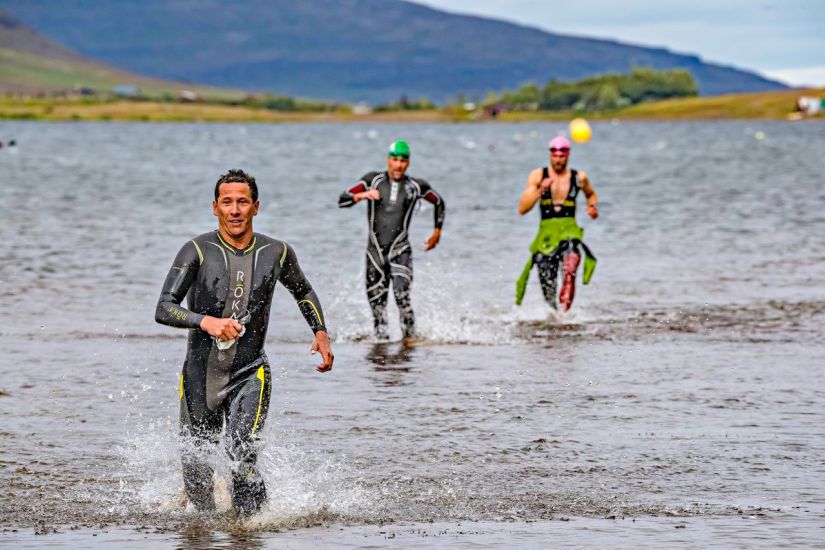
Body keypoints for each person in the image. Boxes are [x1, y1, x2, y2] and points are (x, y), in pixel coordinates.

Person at [155, 169, 334, 516]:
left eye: (242, 202)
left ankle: (251, 530)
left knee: (242, 453)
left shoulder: (277, 252)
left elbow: (303, 290)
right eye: (227, 202)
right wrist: (206, 321)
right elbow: (164, 308)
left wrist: (321, 332)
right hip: (200, 376)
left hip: (251, 373)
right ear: (215, 207)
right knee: (196, 469)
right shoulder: (196, 250)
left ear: (256, 207)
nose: (235, 210)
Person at [338, 140, 445, 339]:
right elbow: (342, 199)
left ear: (409, 163)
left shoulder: (416, 186)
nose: (398, 165)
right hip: (375, 255)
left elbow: (438, 202)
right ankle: (381, 354)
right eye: (395, 159)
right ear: (388, 160)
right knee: (377, 309)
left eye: (403, 160)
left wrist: (437, 232)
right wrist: (361, 195)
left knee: (401, 297)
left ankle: (410, 342)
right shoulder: (373, 180)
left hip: (401, 251)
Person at [516, 136, 598, 311]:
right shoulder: (538, 176)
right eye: (555, 154)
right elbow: (522, 209)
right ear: (550, 154)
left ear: (568, 155)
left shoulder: (579, 177)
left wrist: (592, 207)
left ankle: (567, 313)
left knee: (570, 268)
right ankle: (556, 318)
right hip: (546, 237)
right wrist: (540, 190)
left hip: (570, 232)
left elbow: (591, 194)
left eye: (562, 154)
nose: (558, 158)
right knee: (548, 285)